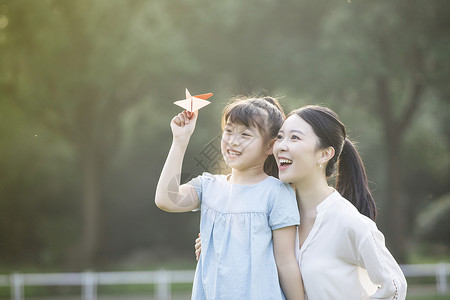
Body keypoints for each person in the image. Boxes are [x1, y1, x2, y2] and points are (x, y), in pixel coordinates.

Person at [196, 104, 407, 299]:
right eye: (280, 137)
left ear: (324, 154)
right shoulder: (273, 213)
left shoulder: (347, 221)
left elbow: (395, 286)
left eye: (294, 138)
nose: (281, 146)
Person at [155, 97, 305, 300]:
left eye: (245, 134)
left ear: (270, 146)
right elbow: (166, 199)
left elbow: (286, 262)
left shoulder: (276, 192)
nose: (233, 141)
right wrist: (180, 140)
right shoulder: (208, 186)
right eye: (229, 131)